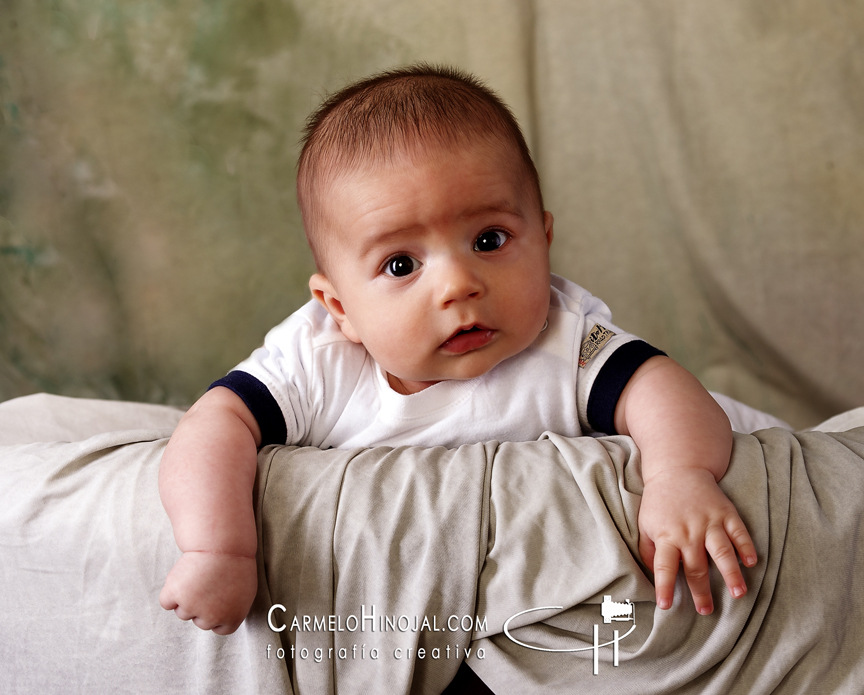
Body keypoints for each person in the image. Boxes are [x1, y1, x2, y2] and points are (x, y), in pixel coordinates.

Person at [158, 64, 764, 636]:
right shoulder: (316, 360)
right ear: (340, 308)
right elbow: (216, 423)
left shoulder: (562, 333)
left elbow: (660, 387)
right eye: (401, 264)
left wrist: (678, 476)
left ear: (544, 240)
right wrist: (218, 547)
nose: (459, 285)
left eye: (489, 239)